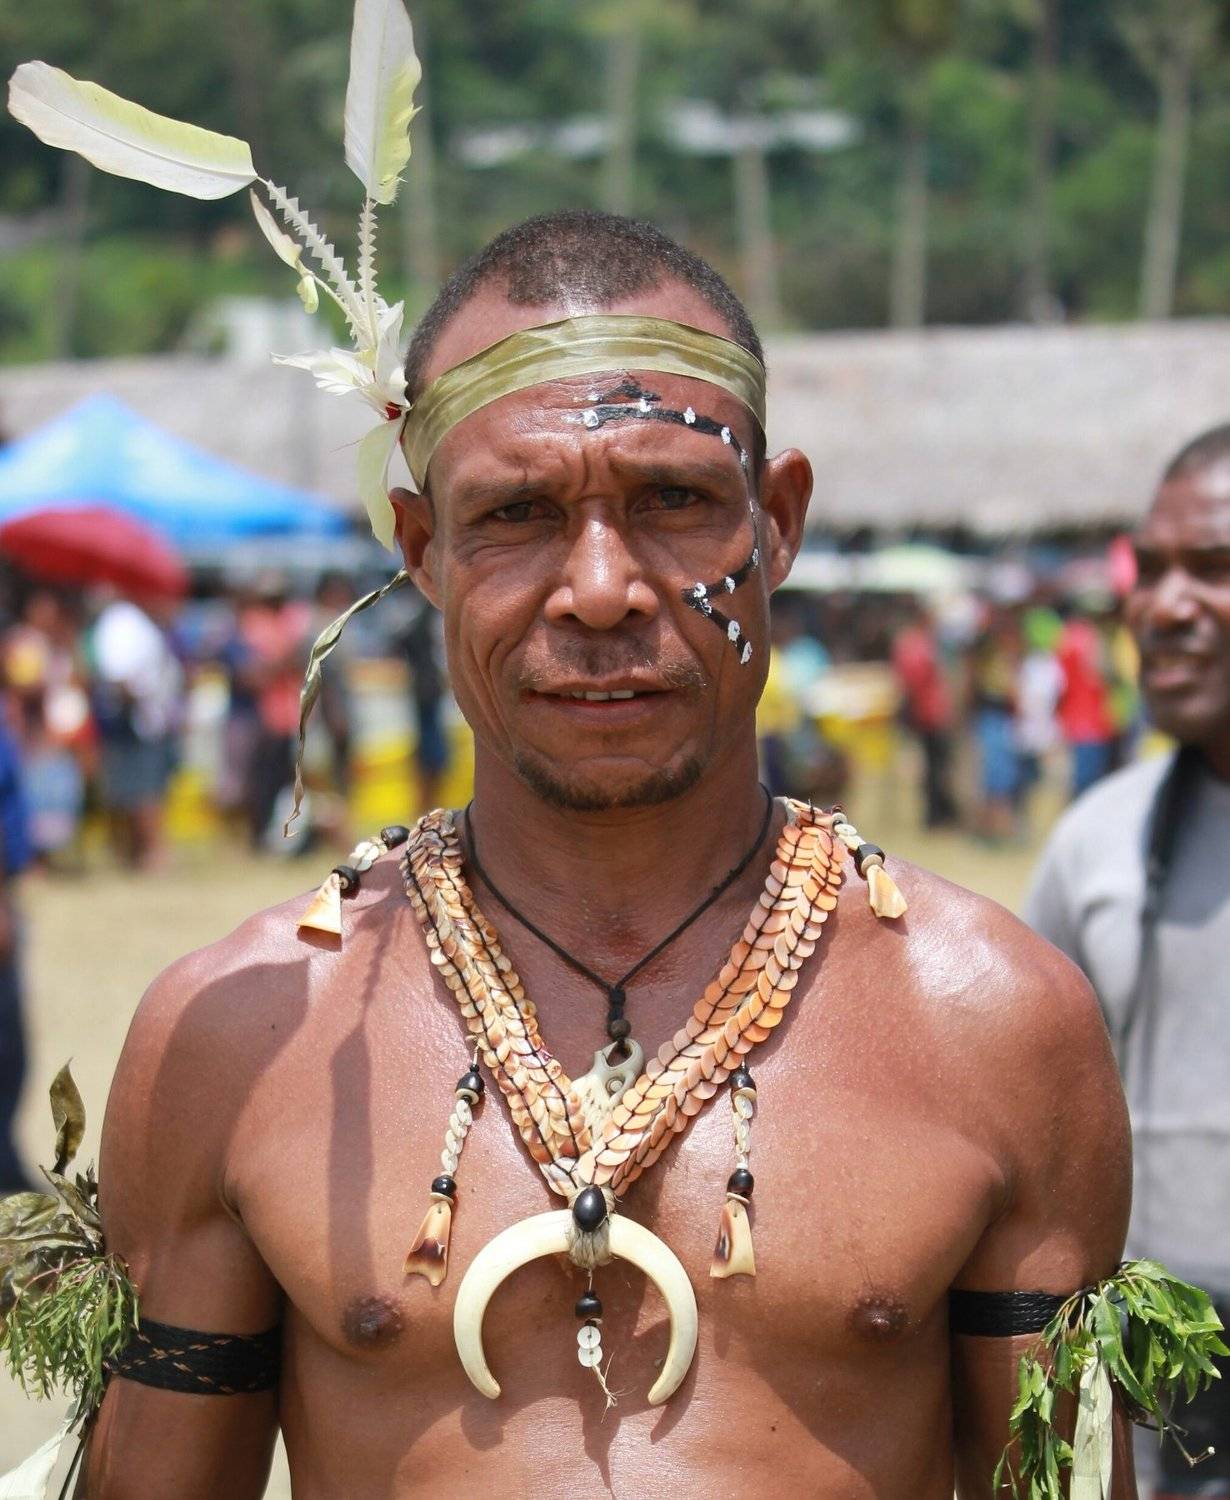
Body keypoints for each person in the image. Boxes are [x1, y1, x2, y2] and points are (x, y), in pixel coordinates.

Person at [76, 210, 1140, 1498]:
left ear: (778, 520)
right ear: (423, 550)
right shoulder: (238, 1040)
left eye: (673, 501)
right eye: (517, 513)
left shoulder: (995, 1022)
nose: (598, 590)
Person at [1026, 424, 1230, 1500]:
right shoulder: (1096, 841)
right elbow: (1021, 1124)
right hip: (1162, 1409)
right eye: (1150, 570)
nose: (1165, 605)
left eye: (1214, 568)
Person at [892, 598, 958, 828]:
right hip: (927, 714)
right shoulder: (916, 643)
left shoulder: (923, 641)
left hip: (933, 712)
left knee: (938, 766)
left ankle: (940, 813)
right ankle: (935, 815)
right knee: (934, 768)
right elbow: (913, 681)